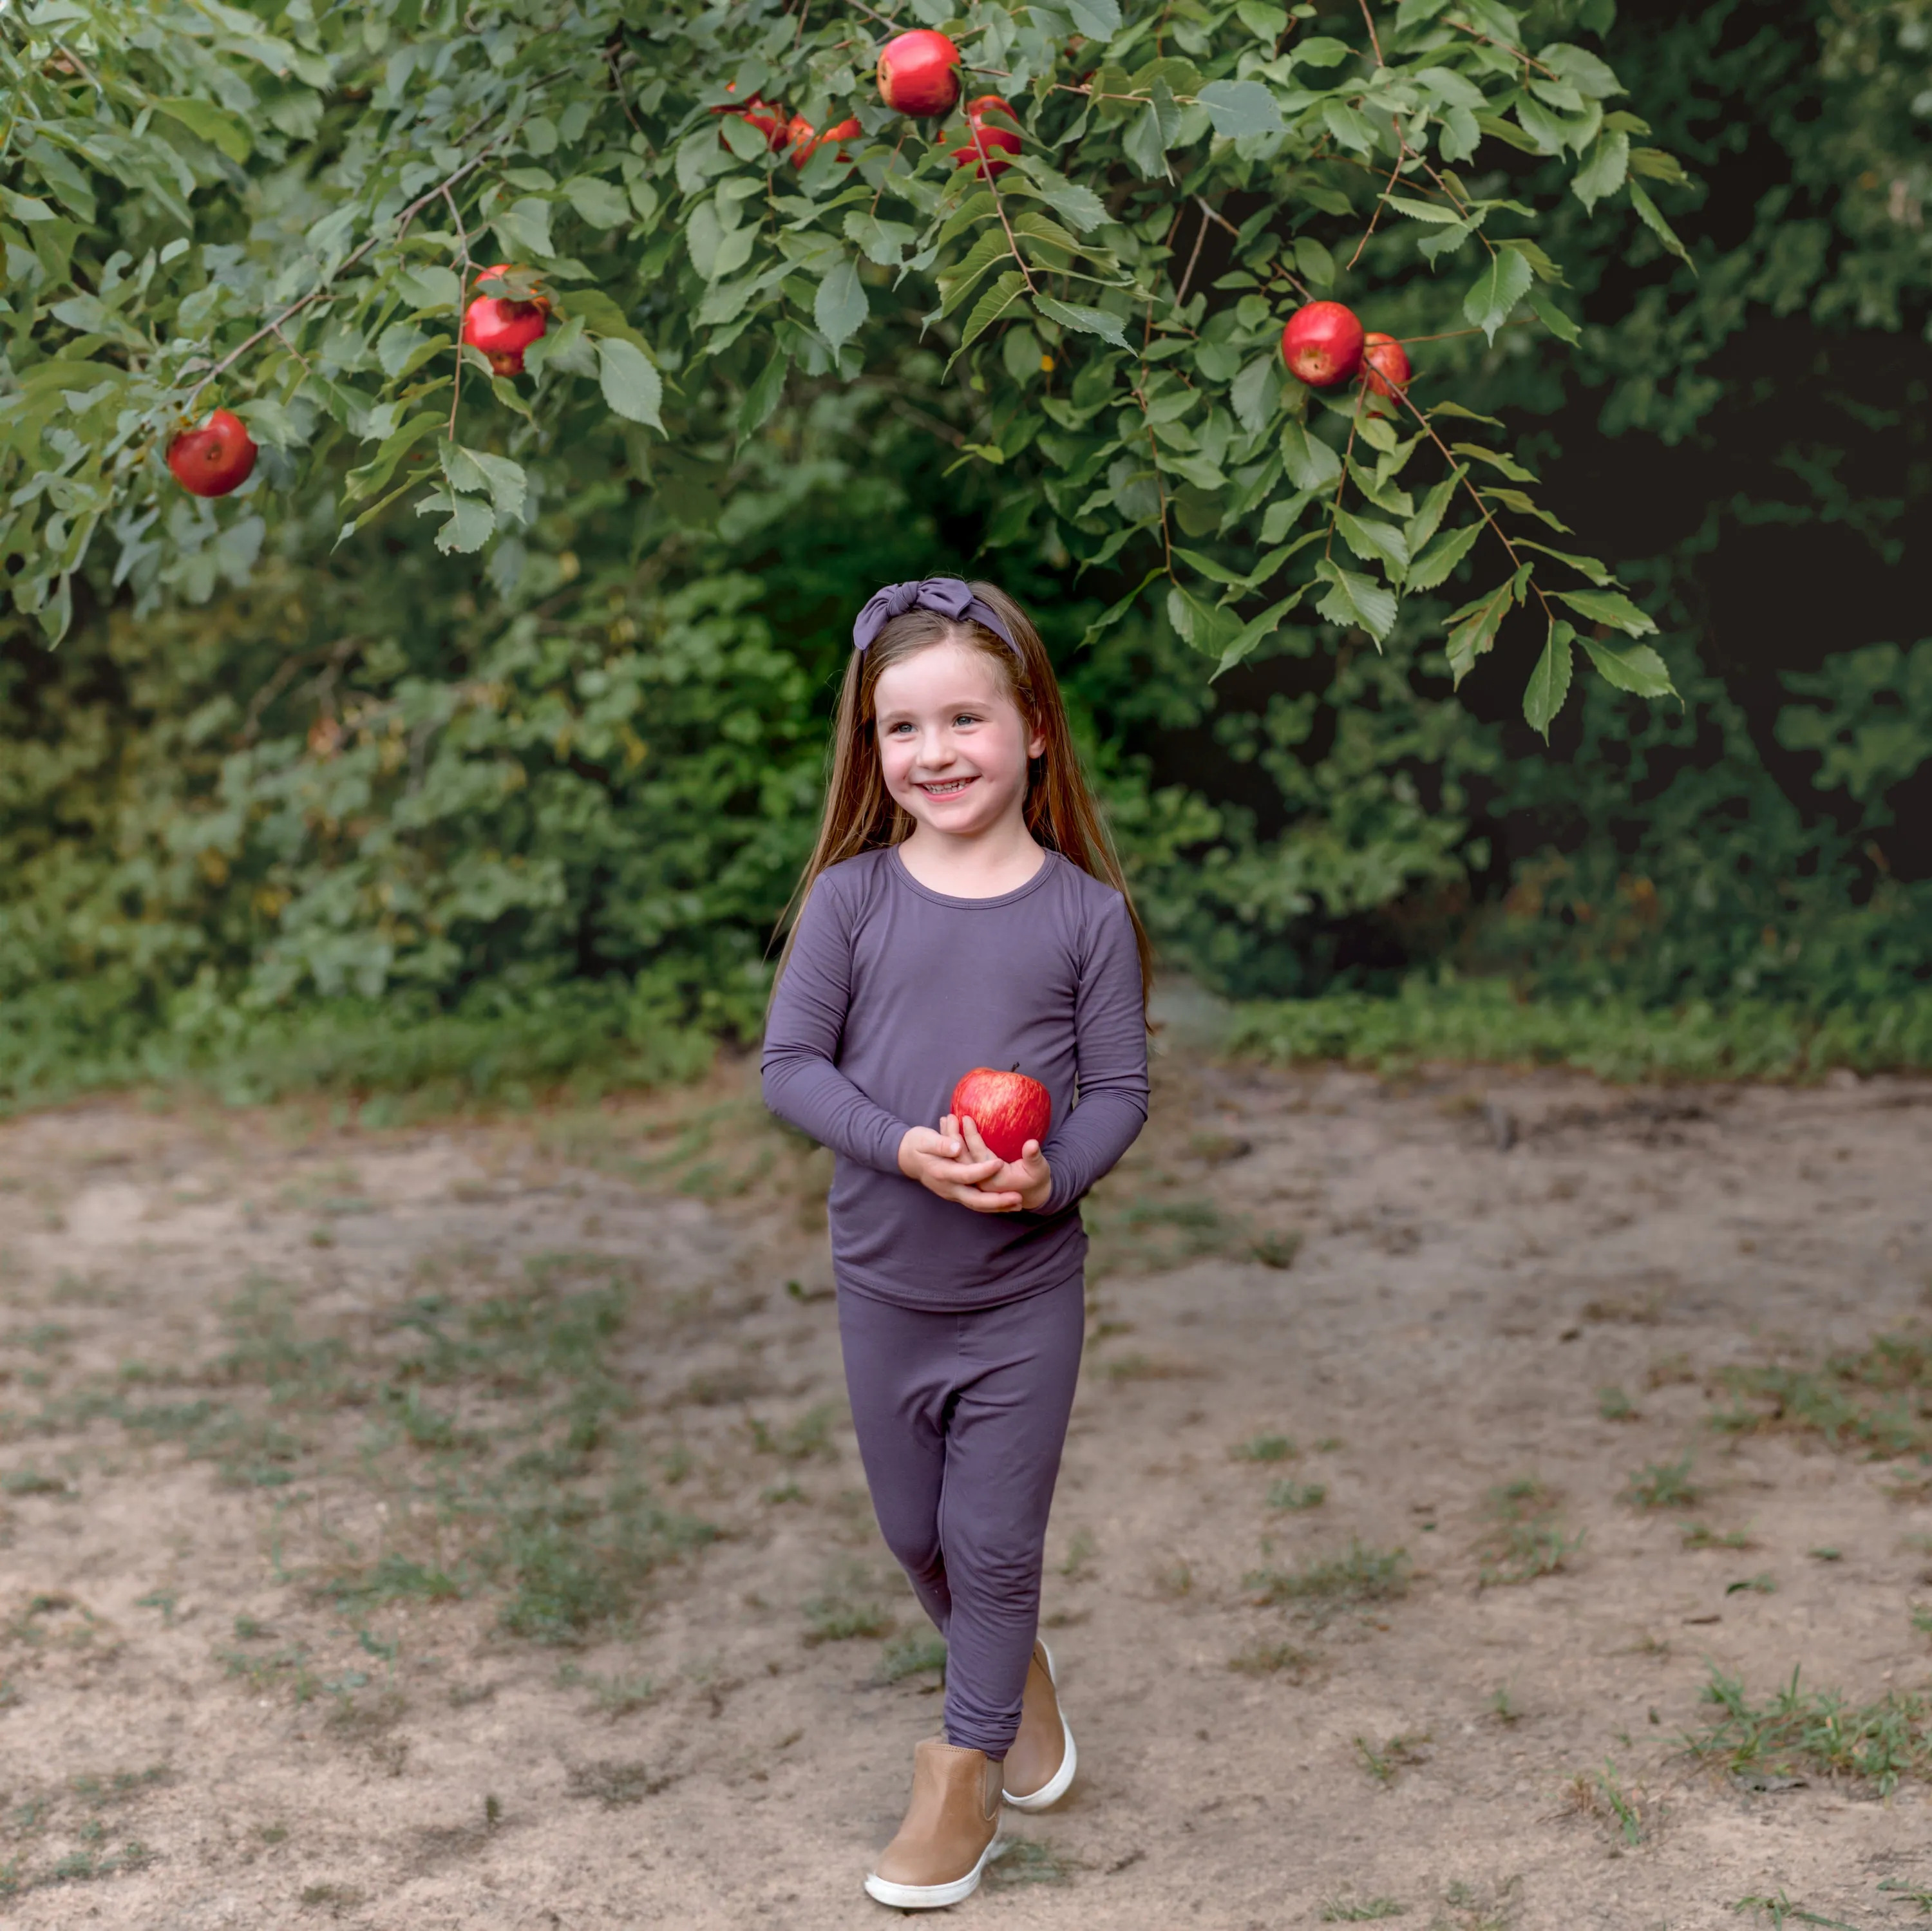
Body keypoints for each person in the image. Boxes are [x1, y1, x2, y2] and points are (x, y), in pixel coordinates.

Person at [762, 576, 1151, 1910]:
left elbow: (1119, 1094)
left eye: (965, 719)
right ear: (872, 751)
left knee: (991, 1545)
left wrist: (1053, 1176)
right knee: (913, 1528)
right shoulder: (852, 901)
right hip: (886, 1283)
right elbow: (790, 1067)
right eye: (901, 728)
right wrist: (894, 1140)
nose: (934, 753)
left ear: (1034, 724)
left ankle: (960, 1774)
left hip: (1022, 1292)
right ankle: (1012, 1665)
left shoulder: (1084, 916)